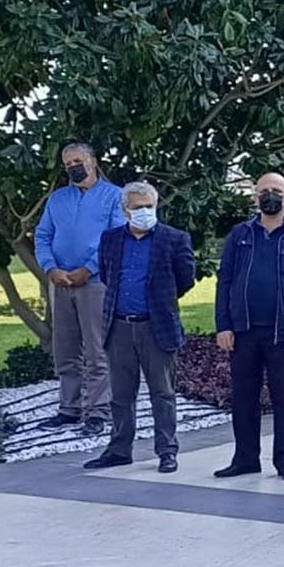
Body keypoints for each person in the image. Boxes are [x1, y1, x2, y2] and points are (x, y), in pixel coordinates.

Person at [214, 173, 284, 483]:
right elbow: (225, 281)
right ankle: (245, 458)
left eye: (277, 191)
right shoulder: (240, 235)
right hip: (244, 330)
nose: (270, 196)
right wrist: (223, 325)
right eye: (264, 191)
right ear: (255, 196)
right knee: (243, 398)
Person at [83, 182, 196, 474]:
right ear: (125, 210)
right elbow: (108, 275)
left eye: (149, 207)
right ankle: (119, 449)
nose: (144, 212)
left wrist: (160, 301)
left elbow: (185, 279)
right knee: (120, 395)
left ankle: (167, 451)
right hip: (119, 326)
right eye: (137, 207)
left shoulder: (174, 239)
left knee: (163, 393)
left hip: (156, 327)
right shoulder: (110, 239)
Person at [34, 142, 124, 434]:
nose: (73, 166)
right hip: (60, 283)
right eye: (68, 163)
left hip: (95, 282)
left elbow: (116, 238)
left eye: (78, 160)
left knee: (98, 349)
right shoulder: (57, 199)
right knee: (66, 348)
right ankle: (69, 408)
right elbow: (43, 235)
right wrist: (51, 268)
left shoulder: (114, 196)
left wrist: (89, 268)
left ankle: (99, 411)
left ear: (93, 161)